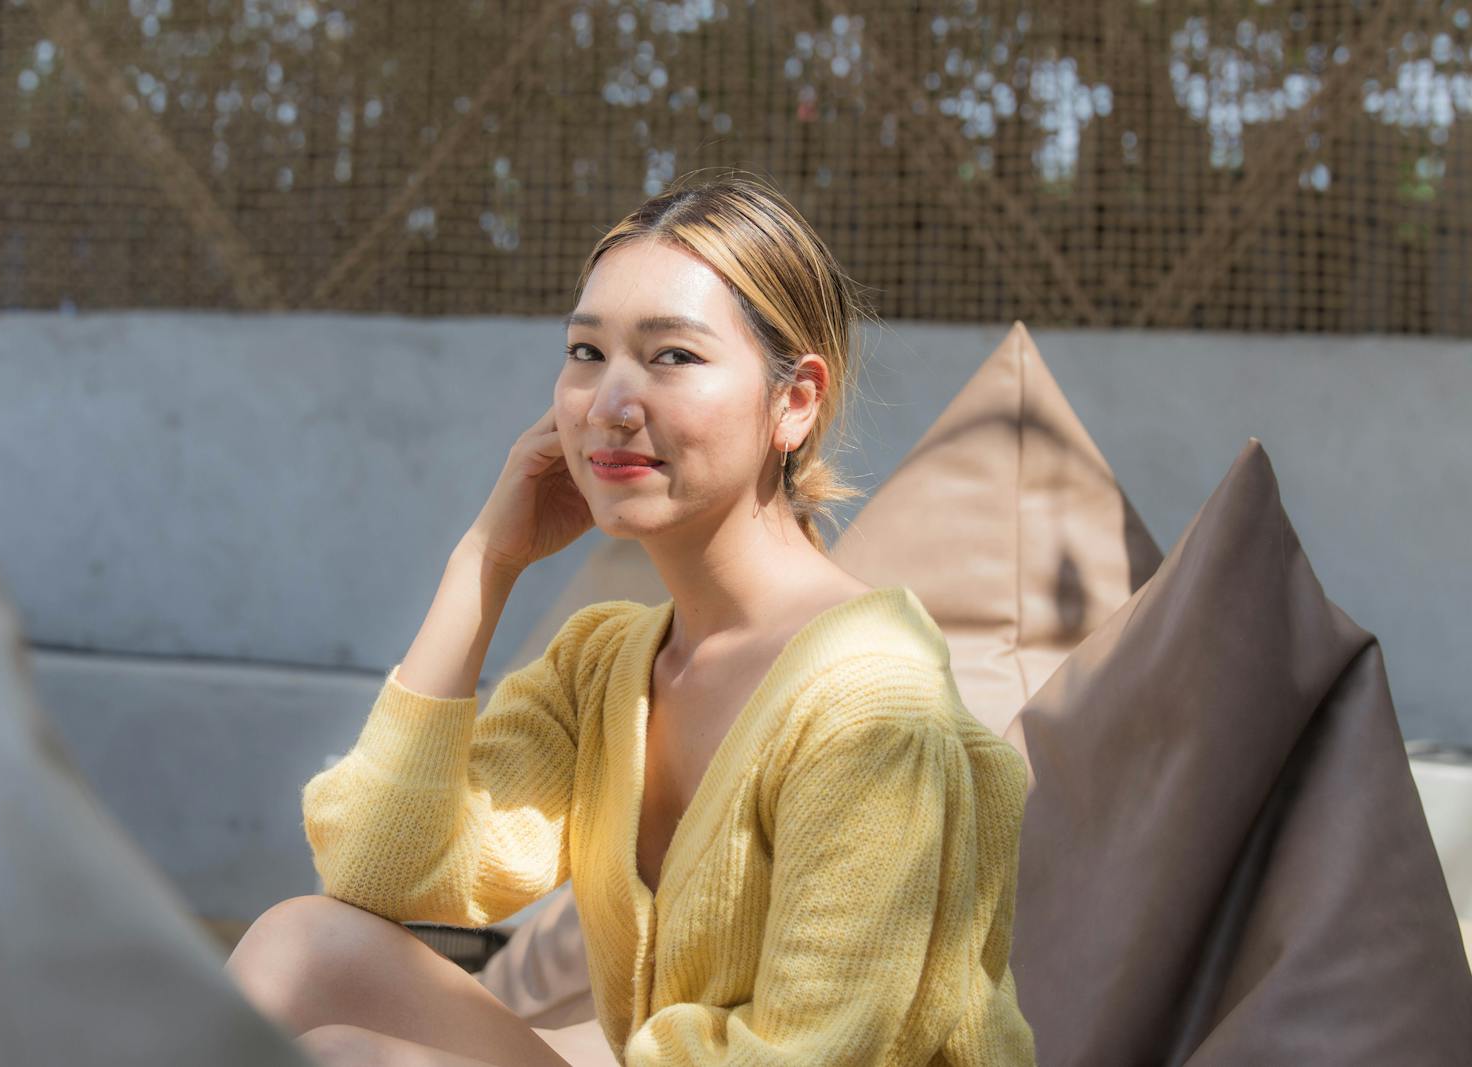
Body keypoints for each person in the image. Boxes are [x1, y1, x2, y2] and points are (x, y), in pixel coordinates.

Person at [224, 171, 1037, 1066]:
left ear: (796, 401)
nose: (609, 405)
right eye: (586, 352)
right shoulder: (605, 666)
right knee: (301, 947)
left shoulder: (870, 706)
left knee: (345, 1056)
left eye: (671, 356)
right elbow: (377, 868)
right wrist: (483, 561)